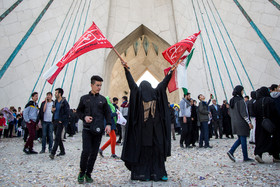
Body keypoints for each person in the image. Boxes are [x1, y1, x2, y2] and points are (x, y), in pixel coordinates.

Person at [121, 67, 172, 182]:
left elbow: (164, 83)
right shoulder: (146, 94)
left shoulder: (149, 93)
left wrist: (171, 72)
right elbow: (164, 83)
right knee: (148, 152)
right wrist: (170, 72)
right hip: (150, 133)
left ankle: (152, 173)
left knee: (153, 152)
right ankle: (150, 174)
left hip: (150, 133)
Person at [76, 75, 111, 184]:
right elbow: (78, 112)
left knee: (94, 153)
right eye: (97, 85)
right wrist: (84, 117)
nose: (99, 87)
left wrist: (109, 124)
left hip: (98, 130)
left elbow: (108, 113)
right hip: (87, 129)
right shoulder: (84, 98)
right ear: (91, 85)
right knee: (86, 151)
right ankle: (81, 172)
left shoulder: (103, 100)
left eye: (100, 85)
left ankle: (89, 173)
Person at [227, 85, 253, 162]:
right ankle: (244, 156)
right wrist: (249, 122)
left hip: (235, 122)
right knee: (243, 139)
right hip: (241, 122)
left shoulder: (231, 100)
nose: (243, 92)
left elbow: (230, 113)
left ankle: (231, 151)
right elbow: (243, 113)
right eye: (242, 90)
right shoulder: (240, 101)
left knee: (240, 139)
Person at [253, 87, 280, 163]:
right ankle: (275, 156)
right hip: (269, 123)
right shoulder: (269, 100)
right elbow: (274, 112)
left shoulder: (256, 102)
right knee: (273, 140)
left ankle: (259, 154)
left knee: (260, 140)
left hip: (259, 124)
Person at [49, 88, 70, 159]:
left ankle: (53, 153)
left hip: (60, 122)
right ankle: (62, 151)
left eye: (56, 93)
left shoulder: (64, 102)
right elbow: (53, 110)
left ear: (60, 94)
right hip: (55, 120)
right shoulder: (55, 102)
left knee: (57, 137)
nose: (55, 94)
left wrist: (62, 120)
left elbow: (67, 113)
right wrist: (52, 110)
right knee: (57, 136)